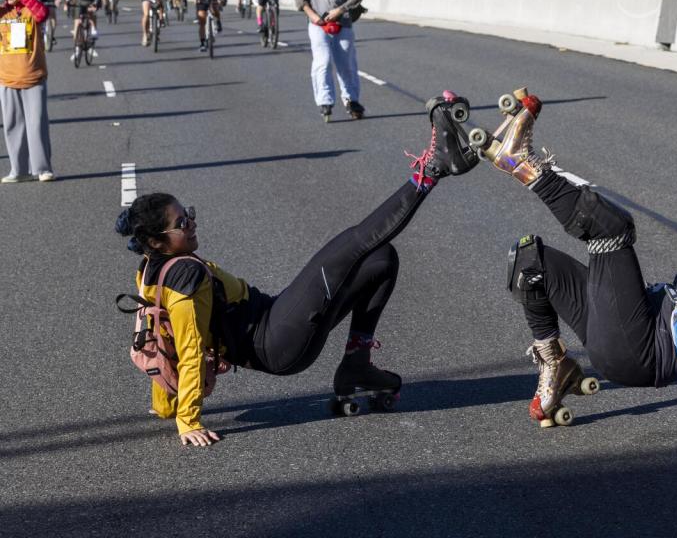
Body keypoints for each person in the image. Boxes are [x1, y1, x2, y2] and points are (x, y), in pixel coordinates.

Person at [115, 98, 479, 446]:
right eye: (182, 222)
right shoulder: (185, 281)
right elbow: (187, 348)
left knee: (379, 259)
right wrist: (188, 420)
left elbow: (157, 336)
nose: (192, 223)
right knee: (353, 244)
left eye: (189, 213)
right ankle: (432, 171)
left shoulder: (150, 269)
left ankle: (357, 367)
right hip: (275, 340)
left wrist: (166, 403)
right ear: (158, 241)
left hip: (274, 322)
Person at [469, 93, 677, 446]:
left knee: (614, 229)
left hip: (641, 353)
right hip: (630, 328)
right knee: (532, 260)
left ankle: (525, 166)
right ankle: (555, 363)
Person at [296, 0, 365, 122]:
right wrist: (313, 15)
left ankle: (352, 100)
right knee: (323, 61)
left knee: (347, 64)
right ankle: (325, 101)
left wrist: (341, 10)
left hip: (342, 23)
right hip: (318, 24)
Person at [0, 0, 53, 184]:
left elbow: (43, 13)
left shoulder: (31, 10)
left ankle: (42, 169)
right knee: (13, 126)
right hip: (7, 78)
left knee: (36, 124)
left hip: (33, 76)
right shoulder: (2, 12)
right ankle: (18, 170)